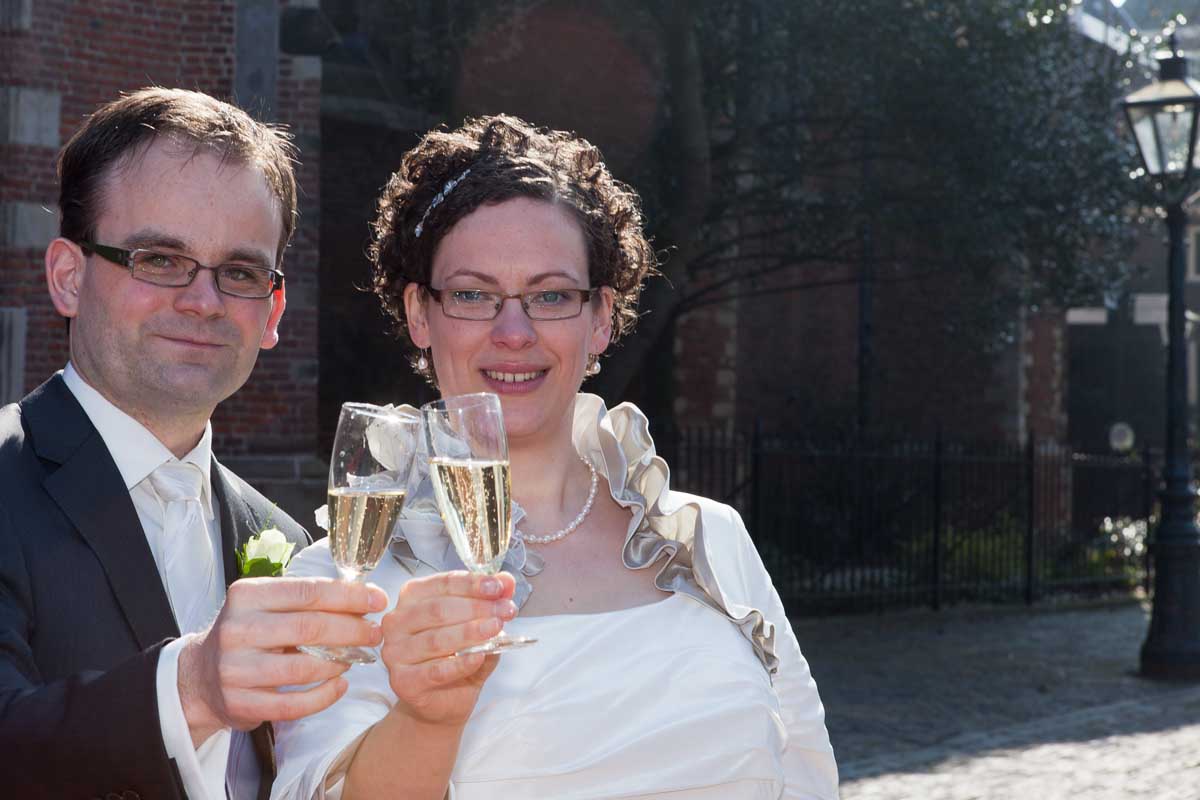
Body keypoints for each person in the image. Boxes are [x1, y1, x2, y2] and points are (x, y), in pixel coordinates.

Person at [273, 114, 840, 799]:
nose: (514, 332)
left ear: (600, 318)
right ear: (420, 313)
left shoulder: (711, 542)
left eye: (550, 295)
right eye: (474, 294)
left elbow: (808, 777)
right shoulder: (345, 584)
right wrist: (425, 719)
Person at [0, 87, 388, 800]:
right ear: (68, 277)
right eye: (159, 258)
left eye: (239, 272)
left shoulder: (285, 538)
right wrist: (191, 689)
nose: (203, 301)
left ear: (271, 311)